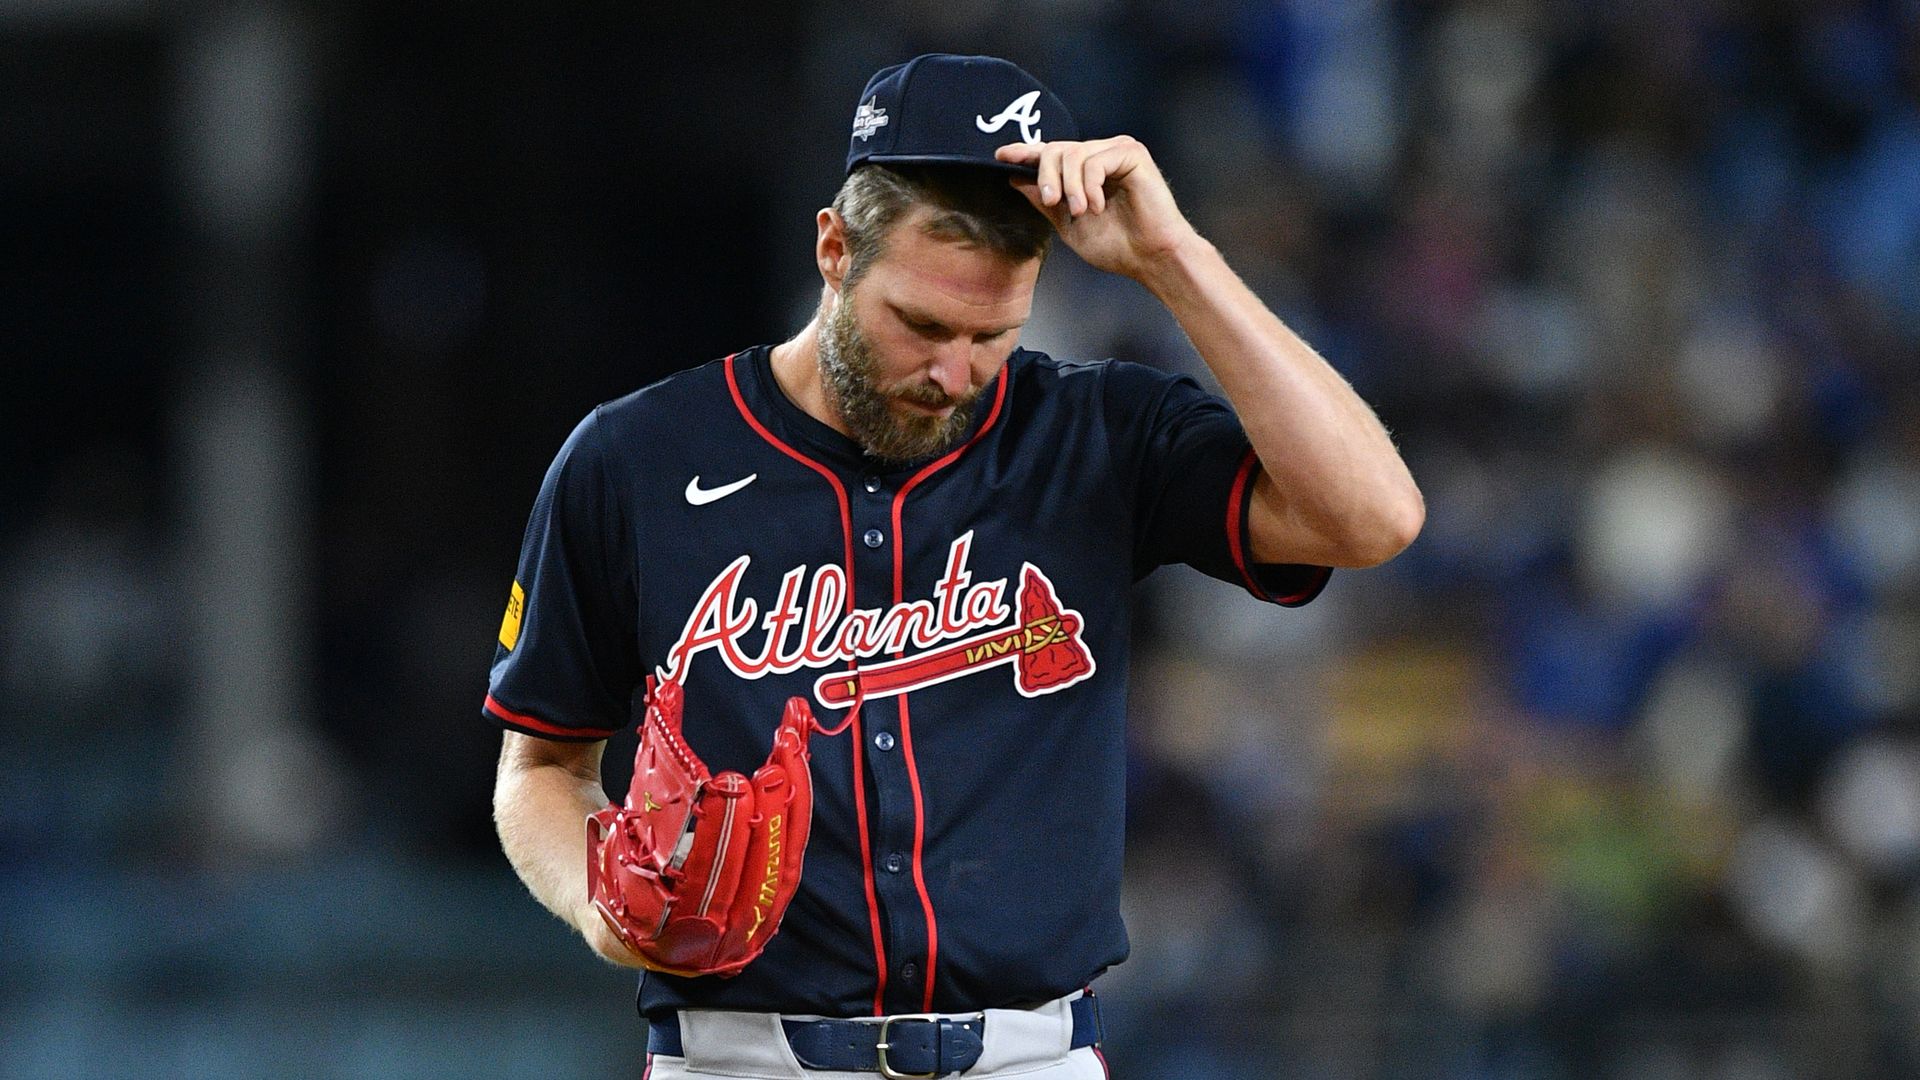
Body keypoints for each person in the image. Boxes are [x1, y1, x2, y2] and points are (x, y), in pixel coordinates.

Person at [487, 53, 1422, 1079]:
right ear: (834, 249)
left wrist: (1174, 258)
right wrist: (597, 901)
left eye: (993, 334)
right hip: (741, 1058)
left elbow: (1371, 518)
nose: (954, 371)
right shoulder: (638, 459)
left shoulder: (1093, 433)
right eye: (922, 325)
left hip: (1030, 1057)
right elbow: (540, 767)